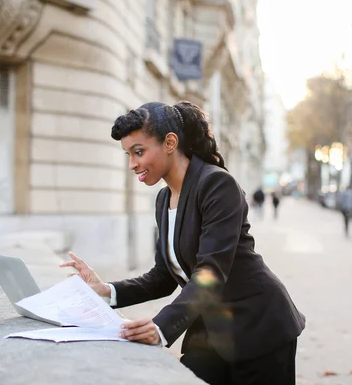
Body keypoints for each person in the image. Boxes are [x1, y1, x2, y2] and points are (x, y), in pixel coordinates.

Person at [60, 101, 305, 385]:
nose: (132, 164)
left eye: (138, 152)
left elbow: (210, 273)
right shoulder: (164, 200)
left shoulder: (217, 185)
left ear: (170, 142)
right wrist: (108, 291)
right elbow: (163, 276)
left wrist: (160, 327)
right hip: (211, 332)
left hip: (258, 327)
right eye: (128, 154)